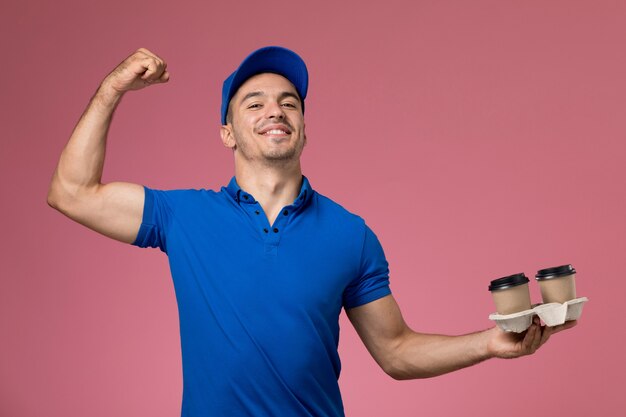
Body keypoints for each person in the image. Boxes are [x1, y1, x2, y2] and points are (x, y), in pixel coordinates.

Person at [47, 46, 577, 417]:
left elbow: (395, 352)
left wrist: (490, 342)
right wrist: (113, 86)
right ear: (227, 132)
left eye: (289, 102)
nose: (274, 109)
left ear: (303, 126)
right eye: (253, 103)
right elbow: (71, 192)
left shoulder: (351, 234)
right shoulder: (182, 216)